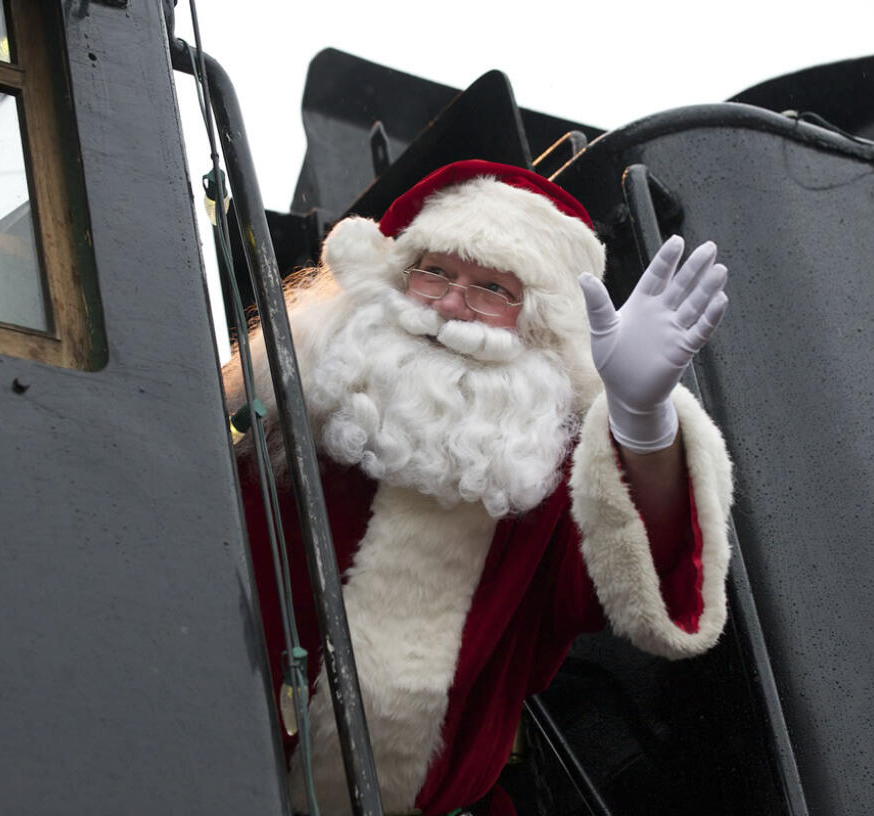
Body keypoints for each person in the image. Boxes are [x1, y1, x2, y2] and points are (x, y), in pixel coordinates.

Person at [226, 159, 734, 815]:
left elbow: (653, 581)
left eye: (492, 288)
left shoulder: (549, 479)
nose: (450, 304)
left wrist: (639, 415)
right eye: (434, 271)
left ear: (537, 325)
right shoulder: (283, 416)